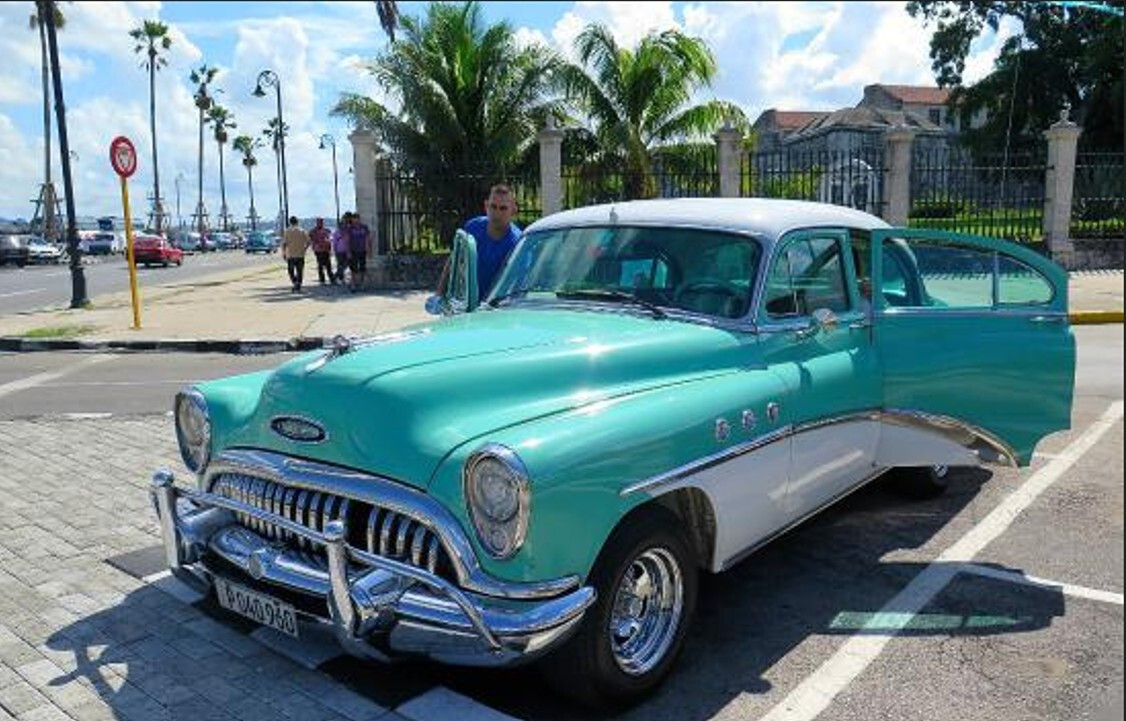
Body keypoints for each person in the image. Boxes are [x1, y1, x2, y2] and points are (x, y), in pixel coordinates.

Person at [435, 184, 521, 302]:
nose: (497, 213)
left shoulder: (518, 243)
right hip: (465, 305)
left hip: (498, 308)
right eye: (493, 206)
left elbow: (518, 285)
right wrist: (439, 294)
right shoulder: (473, 228)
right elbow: (454, 260)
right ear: (486, 206)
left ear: (513, 210)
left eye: (503, 208)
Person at [281, 216, 310, 293]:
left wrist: (284, 253)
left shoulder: (287, 231)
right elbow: (308, 242)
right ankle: (298, 284)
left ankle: (295, 283)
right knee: (300, 271)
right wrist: (304, 248)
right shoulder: (302, 231)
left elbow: (284, 244)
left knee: (291, 271)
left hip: (290, 254)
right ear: (297, 222)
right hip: (300, 254)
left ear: (290, 222)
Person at [346, 212, 372, 292]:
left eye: (357, 218)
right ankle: (353, 284)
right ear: (352, 219)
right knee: (353, 269)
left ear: (359, 219)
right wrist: (348, 251)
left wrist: (368, 250)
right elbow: (348, 240)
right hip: (353, 250)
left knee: (362, 268)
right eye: (354, 219)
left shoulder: (364, 227)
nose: (355, 220)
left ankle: (362, 284)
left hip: (362, 250)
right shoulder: (350, 228)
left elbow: (368, 239)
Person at [309, 217, 334, 285]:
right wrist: (314, 245)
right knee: (320, 265)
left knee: (328, 265)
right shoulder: (313, 231)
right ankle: (322, 280)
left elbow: (329, 239)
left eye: (321, 222)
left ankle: (332, 279)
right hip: (318, 250)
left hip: (326, 250)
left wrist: (329, 248)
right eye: (319, 222)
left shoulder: (326, 230)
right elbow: (310, 238)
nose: (320, 223)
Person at [331, 214, 350, 285]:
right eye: (342, 225)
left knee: (345, 264)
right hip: (339, 251)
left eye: (344, 225)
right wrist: (335, 251)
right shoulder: (337, 232)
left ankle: (335, 276)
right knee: (340, 265)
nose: (343, 226)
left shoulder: (348, 231)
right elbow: (334, 242)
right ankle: (341, 278)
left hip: (346, 250)